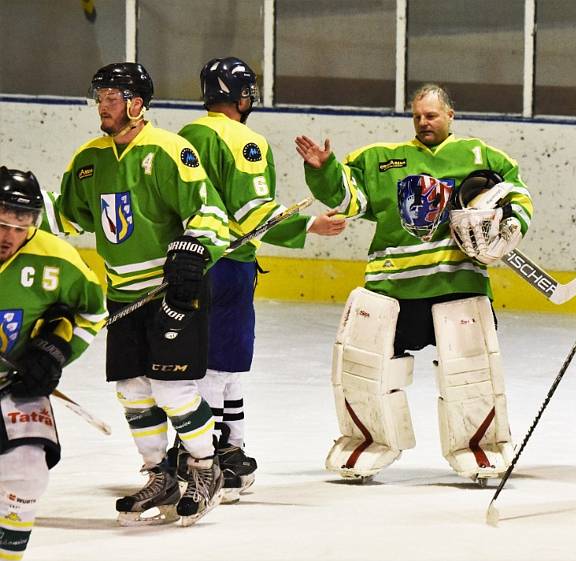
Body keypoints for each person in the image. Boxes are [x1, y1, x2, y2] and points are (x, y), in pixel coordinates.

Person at [295, 84, 533, 484]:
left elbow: (517, 195)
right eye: (418, 115)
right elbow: (349, 198)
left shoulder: (482, 156)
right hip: (392, 290)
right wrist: (323, 170)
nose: (424, 121)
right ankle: (367, 440)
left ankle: (481, 445)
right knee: (367, 370)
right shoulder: (381, 160)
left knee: (471, 370)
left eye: (432, 115)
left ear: (450, 115)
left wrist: (511, 225)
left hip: (457, 283)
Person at [44, 63, 230, 526]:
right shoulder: (89, 158)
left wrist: (195, 248)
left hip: (172, 292)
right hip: (122, 294)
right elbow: (67, 219)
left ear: (136, 103)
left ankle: (207, 469)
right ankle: (158, 474)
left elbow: (210, 213)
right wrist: (15, 210)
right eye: (100, 96)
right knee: (133, 390)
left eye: (111, 96)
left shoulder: (170, 150)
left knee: (174, 388)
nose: (101, 105)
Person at [177, 56, 346, 502]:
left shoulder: (184, 137)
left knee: (210, 363)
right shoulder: (244, 141)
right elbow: (252, 214)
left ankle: (225, 447)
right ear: (240, 95)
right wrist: (309, 225)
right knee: (220, 365)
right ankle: (208, 458)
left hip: (186, 264)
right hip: (228, 264)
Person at [0, 167, 106, 560]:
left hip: (17, 382)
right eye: (1, 222)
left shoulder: (56, 259)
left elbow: (91, 313)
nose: (8, 234)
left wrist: (54, 353)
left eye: (20, 223)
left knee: (27, 475)